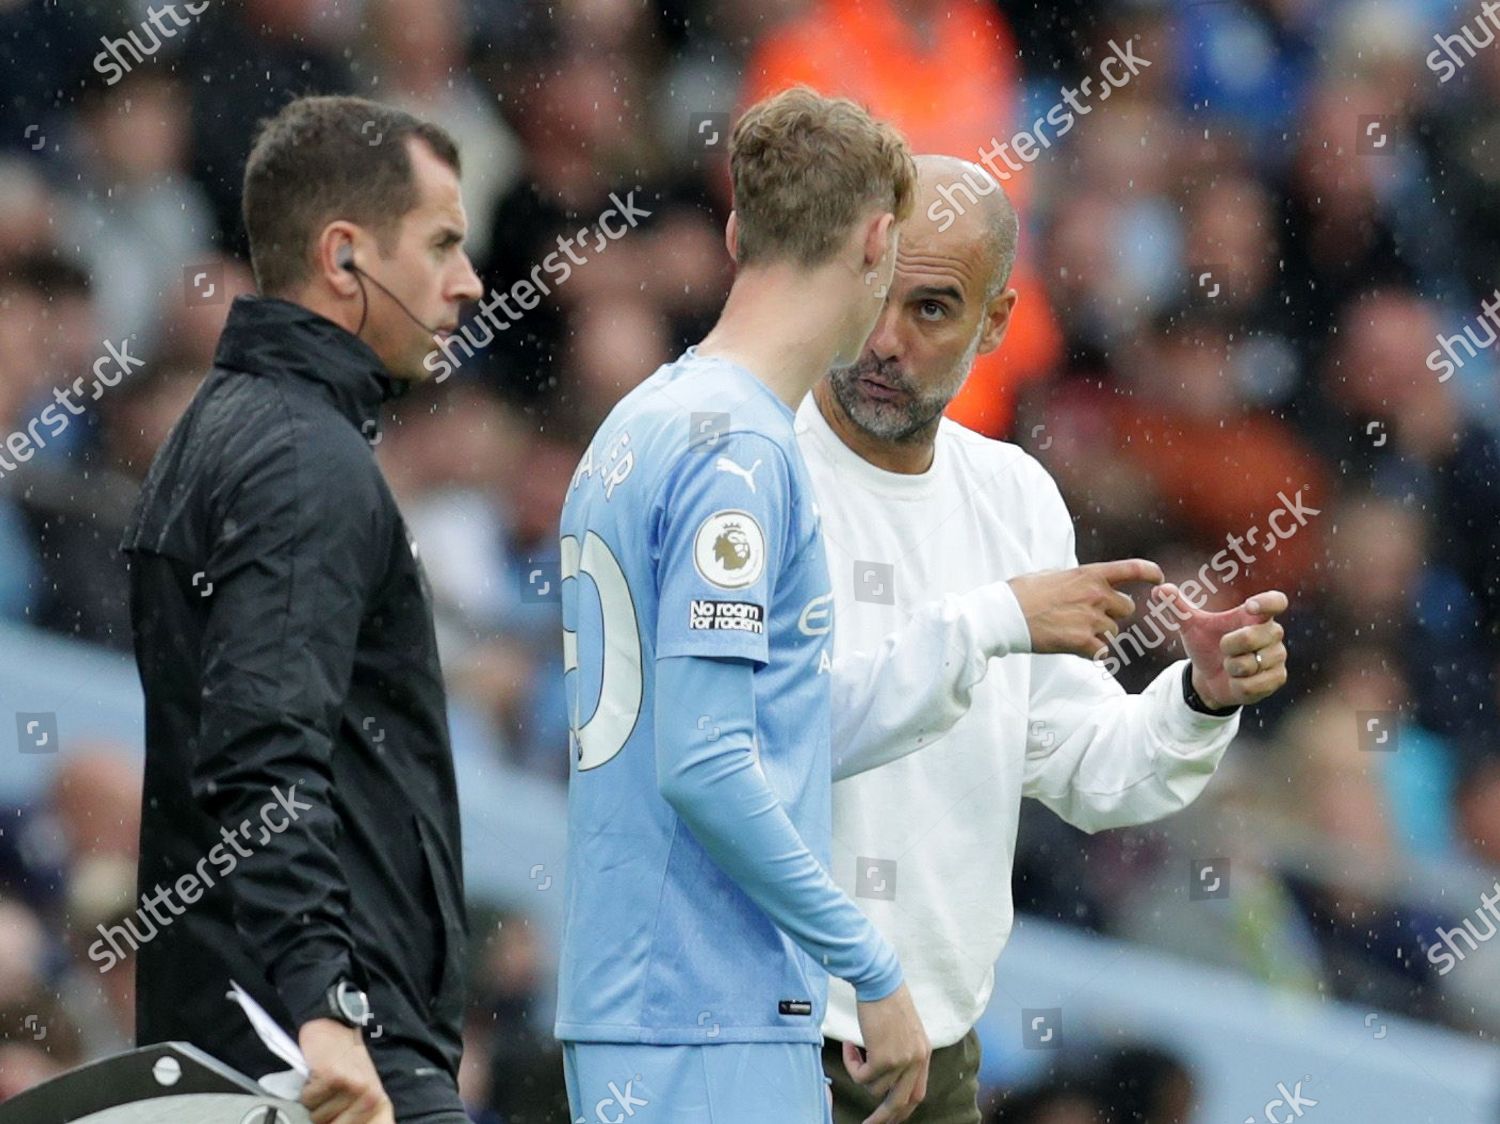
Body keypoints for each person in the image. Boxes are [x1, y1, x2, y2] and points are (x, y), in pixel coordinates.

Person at [798, 156, 1292, 1124]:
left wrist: (1198, 697)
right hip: (748, 1022)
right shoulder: (753, 460)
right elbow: (766, 738)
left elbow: (1085, 764)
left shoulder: (1018, 494)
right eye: (875, 294)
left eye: (933, 309)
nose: (887, 340)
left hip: (933, 1050)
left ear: (995, 322)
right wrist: (993, 621)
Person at [556, 87, 934, 1124]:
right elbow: (708, 759)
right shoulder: (742, 453)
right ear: (879, 241)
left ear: (734, 232)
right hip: (702, 1004)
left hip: (642, 995)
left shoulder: (644, 420)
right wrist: (868, 962)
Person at [122, 95, 483, 1124]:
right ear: (344, 257)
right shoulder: (300, 458)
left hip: (255, 1037)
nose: (470, 281)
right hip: (317, 1053)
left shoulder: (232, 429)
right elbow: (264, 746)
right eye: (444, 242)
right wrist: (328, 1007)